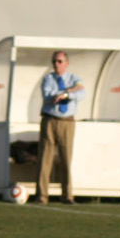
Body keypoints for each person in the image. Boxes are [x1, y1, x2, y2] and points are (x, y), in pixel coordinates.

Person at [37, 51, 83, 205]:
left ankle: (67, 195)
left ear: (66, 63)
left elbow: (82, 93)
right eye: (54, 62)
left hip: (67, 122)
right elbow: (48, 95)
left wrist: (65, 95)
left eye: (60, 61)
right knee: (45, 159)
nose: (57, 64)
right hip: (50, 120)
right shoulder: (48, 78)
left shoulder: (73, 78)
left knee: (66, 159)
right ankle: (42, 196)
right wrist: (69, 92)